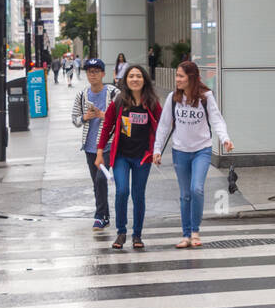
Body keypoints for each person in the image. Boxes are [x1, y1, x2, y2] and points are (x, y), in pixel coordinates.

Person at [153, 60, 233, 249]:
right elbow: (164, 125)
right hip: (180, 151)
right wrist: (157, 150)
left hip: (201, 151)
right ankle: (186, 234)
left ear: (191, 78)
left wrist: (225, 139)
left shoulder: (206, 97)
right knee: (185, 194)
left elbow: (217, 120)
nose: (177, 79)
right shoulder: (173, 98)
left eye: (181, 76)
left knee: (197, 189)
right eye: (177, 75)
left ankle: (195, 231)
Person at [96, 64, 161, 250]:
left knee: (138, 195)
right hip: (121, 156)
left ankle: (137, 235)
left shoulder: (152, 103)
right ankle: (121, 232)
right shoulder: (118, 101)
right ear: (126, 80)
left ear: (144, 80)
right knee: (122, 191)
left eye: (138, 76)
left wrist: (157, 150)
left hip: (142, 157)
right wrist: (100, 152)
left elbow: (162, 126)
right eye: (131, 76)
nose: (135, 79)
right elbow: (107, 126)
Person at [72, 57, 120, 230]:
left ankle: (99, 215)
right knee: (97, 182)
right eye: (90, 72)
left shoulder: (114, 93)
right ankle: (104, 215)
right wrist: (85, 117)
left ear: (103, 74)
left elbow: (122, 116)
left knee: (101, 178)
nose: (93, 75)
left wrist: (103, 115)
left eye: (96, 72)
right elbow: (75, 120)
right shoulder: (82, 95)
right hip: (90, 146)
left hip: (108, 144)